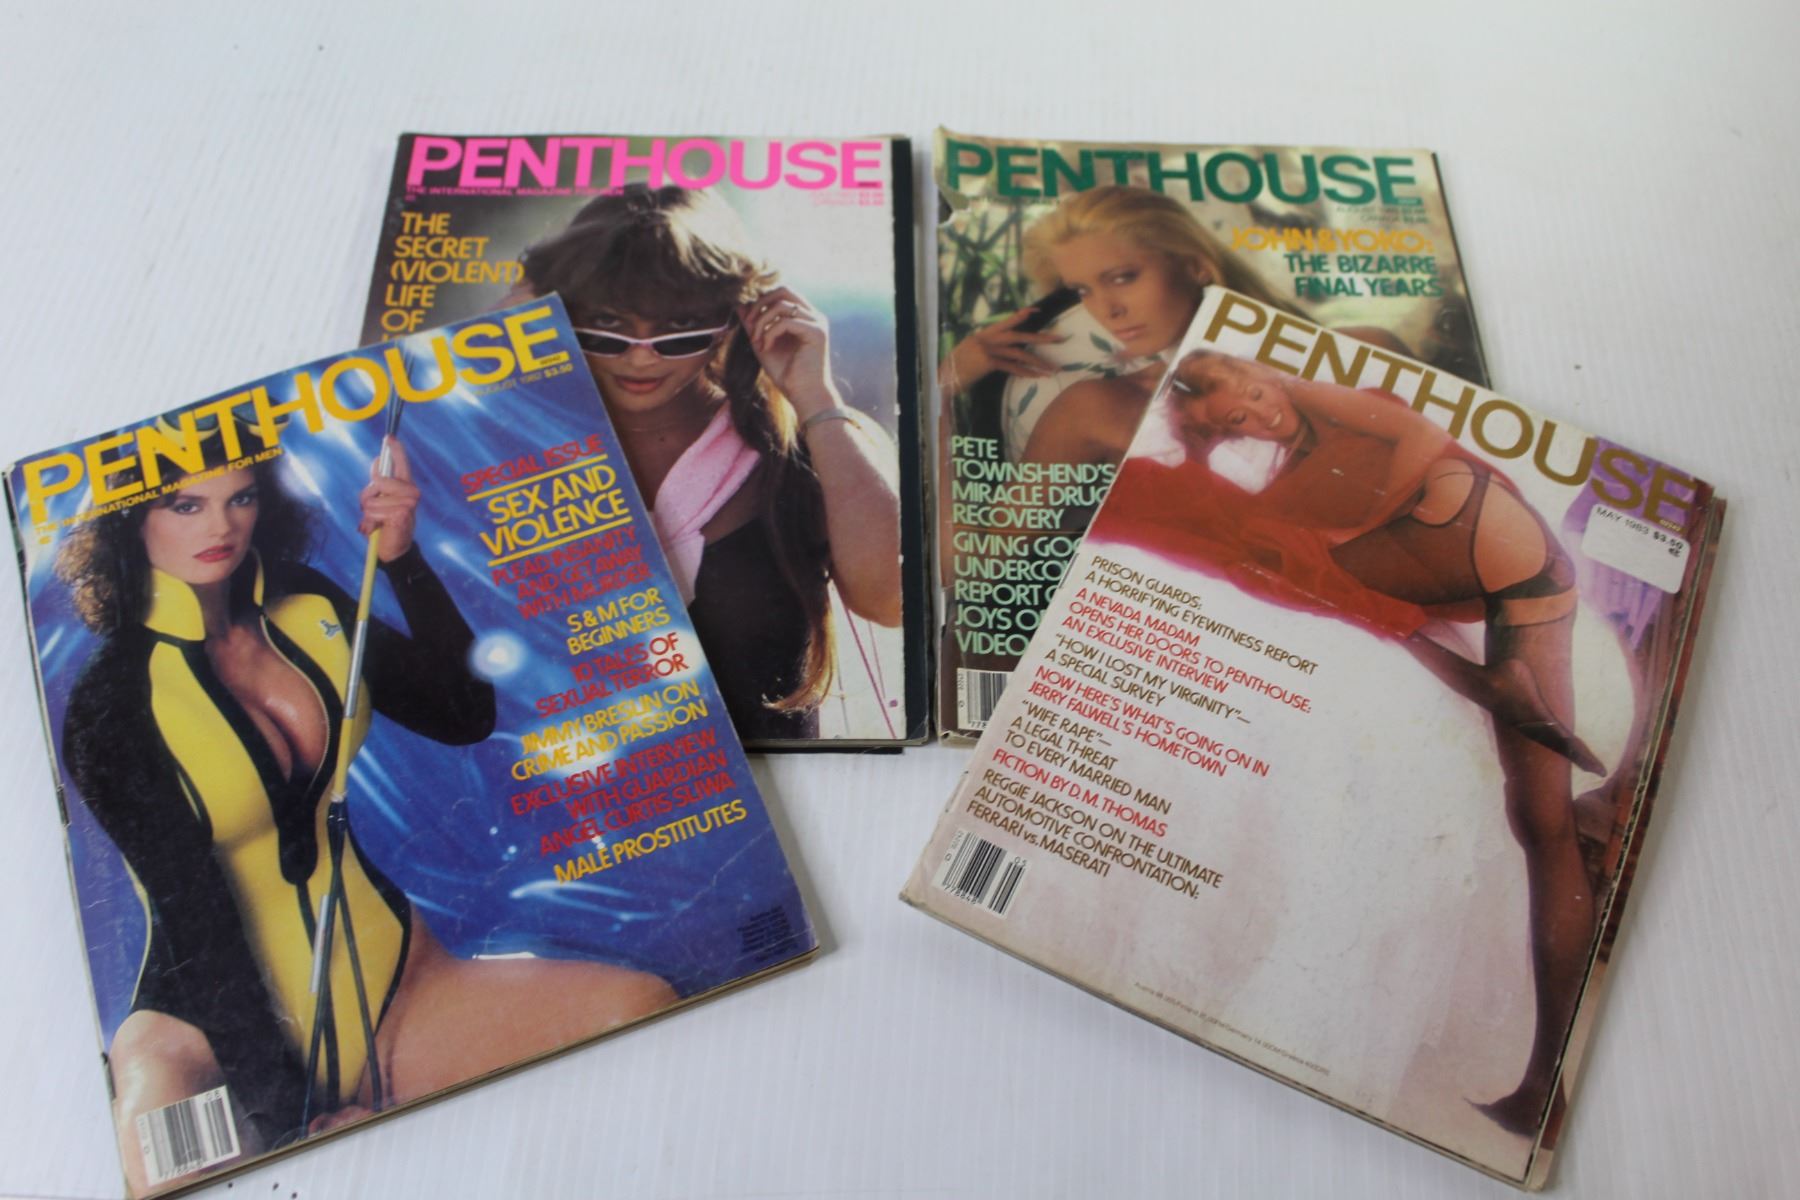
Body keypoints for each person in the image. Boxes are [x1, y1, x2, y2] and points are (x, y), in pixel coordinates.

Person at [57, 443, 675, 1193]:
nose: (220, 526)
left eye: (240, 497)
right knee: (172, 1180)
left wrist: (402, 559)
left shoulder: (305, 602)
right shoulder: (110, 706)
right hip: (204, 1039)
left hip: (394, 989)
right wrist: (287, 1121)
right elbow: (199, 923)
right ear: (129, 522)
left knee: (640, 1007)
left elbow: (462, 712)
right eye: (186, 505)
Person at [1103, 351, 1605, 1136]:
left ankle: (1480, 681)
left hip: (1490, 549)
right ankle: (1545, 1086)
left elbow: (1419, 438)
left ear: (1265, 372)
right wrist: (1200, 442)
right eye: (1236, 421)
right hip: (1521, 578)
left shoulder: (1321, 397)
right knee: (1541, 825)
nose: (1260, 413)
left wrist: (1352, 524)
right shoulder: (1293, 456)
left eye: (1254, 394)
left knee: (1255, 545)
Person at [518, 185, 903, 741]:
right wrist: (497, 349)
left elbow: (890, 601)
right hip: (575, 777)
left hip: (778, 781)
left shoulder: (799, 446)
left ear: (730, 319)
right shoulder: (519, 447)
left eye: (678, 330)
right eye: (607, 327)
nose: (641, 357)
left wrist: (815, 396)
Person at [938, 184, 1407, 474]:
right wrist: (941, 387)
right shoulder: (1096, 409)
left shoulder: (1365, 349)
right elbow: (963, 561)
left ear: (1195, 266)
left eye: (1123, 278)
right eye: (1083, 290)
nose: (1107, 310)